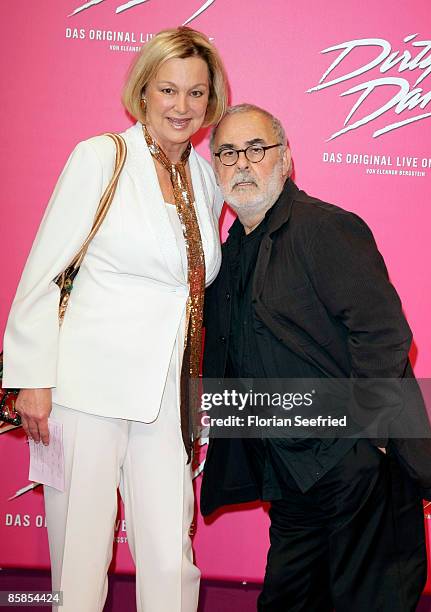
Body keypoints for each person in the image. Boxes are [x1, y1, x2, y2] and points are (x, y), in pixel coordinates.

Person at [2, 27, 228, 612]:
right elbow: (45, 269)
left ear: (211, 100)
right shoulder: (103, 156)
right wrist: (32, 378)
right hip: (87, 391)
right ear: (144, 91)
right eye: (168, 90)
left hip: (167, 397)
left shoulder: (203, 178)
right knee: (77, 559)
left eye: (196, 93)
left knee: (170, 559)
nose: (182, 107)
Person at [200, 104, 431, 611]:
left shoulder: (324, 228)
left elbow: (385, 333)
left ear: (285, 160)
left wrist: (365, 440)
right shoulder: (230, 253)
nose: (241, 163)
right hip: (291, 478)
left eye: (256, 149)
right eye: (226, 153)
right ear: (214, 168)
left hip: (353, 469)